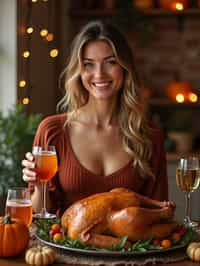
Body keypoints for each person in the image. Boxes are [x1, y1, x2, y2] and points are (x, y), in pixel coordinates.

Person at [22, 20, 168, 218]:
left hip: (129, 249)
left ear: (125, 69)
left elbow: (160, 212)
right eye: (88, 64)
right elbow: (39, 213)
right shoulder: (52, 130)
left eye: (111, 62)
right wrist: (40, 185)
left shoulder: (149, 136)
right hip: (66, 247)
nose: (99, 74)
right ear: (78, 71)